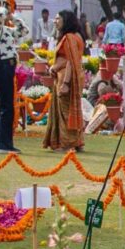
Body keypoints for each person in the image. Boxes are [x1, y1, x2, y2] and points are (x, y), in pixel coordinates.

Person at [44, 11, 87, 151]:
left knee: (65, 112)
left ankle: (67, 144)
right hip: (73, 77)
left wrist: (65, 83)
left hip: (66, 78)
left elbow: (70, 62)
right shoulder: (78, 36)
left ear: (66, 20)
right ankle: (77, 142)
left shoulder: (69, 38)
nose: (55, 21)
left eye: (58, 19)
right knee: (72, 109)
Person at [0, 4, 26, 153]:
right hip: (1, 66)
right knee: (6, 106)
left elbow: (23, 31)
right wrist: (2, 10)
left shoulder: (5, 30)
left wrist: (12, 17)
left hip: (6, 67)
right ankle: (4, 144)